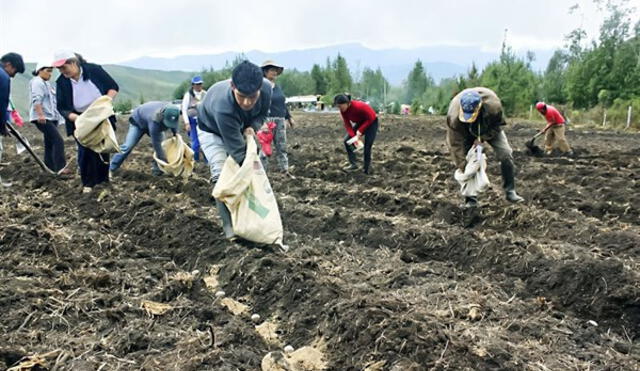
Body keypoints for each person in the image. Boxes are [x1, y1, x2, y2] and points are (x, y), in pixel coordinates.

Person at [197, 60, 272, 240]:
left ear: (260, 88)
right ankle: (230, 227)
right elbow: (238, 153)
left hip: (239, 125)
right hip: (211, 129)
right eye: (241, 96)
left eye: (252, 97)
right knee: (222, 172)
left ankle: (253, 215)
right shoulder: (222, 106)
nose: (247, 102)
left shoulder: (267, 88)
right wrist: (253, 173)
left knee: (255, 164)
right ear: (232, 87)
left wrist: (252, 126)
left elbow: (262, 114)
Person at [446, 87, 524, 208]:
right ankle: (470, 199)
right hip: (465, 132)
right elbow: (455, 145)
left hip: (489, 127)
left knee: (506, 154)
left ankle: (510, 191)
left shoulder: (494, 107)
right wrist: (466, 167)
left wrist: (482, 138)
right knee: (467, 162)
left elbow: (497, 126)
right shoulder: (454, 117)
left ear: (479, 107)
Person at [54, 51, 119, 193]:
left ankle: (103, 181)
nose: (61, 71)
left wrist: (106, 103)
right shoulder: (62, 82)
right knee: (85, 150)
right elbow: (62, 107)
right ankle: (88, 183)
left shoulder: (94, 70)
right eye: (59, 69)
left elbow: (113, 87)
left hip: (101, 115)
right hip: (80, 118)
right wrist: (78, 118)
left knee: (103, 148)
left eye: (64, 67)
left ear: (74, 63)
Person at [110, 102, 180, 175]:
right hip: (137, 123)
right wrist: (164, 161)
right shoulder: (154, 119)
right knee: (128, 146)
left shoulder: (173, 112)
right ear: (162, 116)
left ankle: (157, 172)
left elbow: (174, 124)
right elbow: (157, 144)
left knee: (163, 147)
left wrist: (177, 135)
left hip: (149, 120)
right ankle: (111, 168)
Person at [29, 62, 69, 174]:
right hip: (43, 117)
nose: (50, 74)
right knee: (58, 140)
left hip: (51, 117)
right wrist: (40, 115)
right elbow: (37, 99)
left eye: (51, 71)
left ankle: (49, 169)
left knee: (50, 143)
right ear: (39, 70)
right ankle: (60, 168)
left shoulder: (46, 83)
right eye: (48, 71)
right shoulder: (37, 82)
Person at [259, 60, 295, 176]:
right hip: (267, 120)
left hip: (280, 120)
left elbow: (282, 103)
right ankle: (261, 172)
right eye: (272, 70)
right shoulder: (261, 87)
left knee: (282, 146)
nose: (274, 73)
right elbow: (258, 105)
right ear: (265, 72)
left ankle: (284, 170)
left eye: (275, 70)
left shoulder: (278, 87)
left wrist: (289, 117)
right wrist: (262, 122)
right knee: (265, 148)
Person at [334, 94, 379, 175]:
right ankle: (353, 164)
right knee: (347, 141)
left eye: (341, 106)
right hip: (361, 122)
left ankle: (366, 169)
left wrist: (360, 131)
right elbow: (347, 124)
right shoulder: (343, 111)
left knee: (367, 146)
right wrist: (354, 137)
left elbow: (371, 117)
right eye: (338, 107)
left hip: (371, 122)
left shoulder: (358, 106)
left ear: (347, 103)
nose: (340, 108)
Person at [0, 52, 26, 188]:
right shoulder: (3, 76)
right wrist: (2, 124)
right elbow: (2, 102)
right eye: (14, 71)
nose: (13, 75)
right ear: (8, 65)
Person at [181, 76, 206, 161]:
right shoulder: (188, 95)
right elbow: (184, 110)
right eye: (197, 84)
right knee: (195, 143)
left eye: (200, 84)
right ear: (193, 85)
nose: (199, 86)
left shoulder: (205, 94)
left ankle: (207, 161)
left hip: (203, 121)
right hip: (192, 121)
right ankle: (195, 160)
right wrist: (187, 123)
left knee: (205, 142)